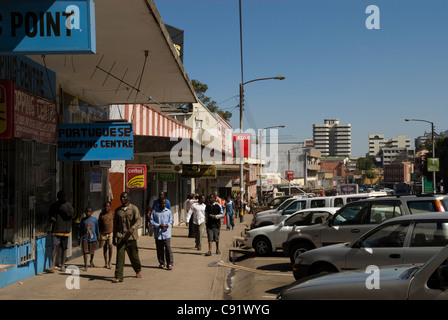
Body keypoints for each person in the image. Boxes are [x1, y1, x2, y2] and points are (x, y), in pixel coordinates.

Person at [112, 192, 143, 283]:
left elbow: (138, 220)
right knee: (119, 257)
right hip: (121, 236)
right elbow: (115, 225)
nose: (122, 199)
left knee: (134, 256)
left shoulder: (134, 208)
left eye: (124, 197)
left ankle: (138, 270)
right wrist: (114, 236)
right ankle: (118, 276)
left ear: (128, 198)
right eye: (121, 197)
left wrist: (132, 228)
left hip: (131, 237)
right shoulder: (118, 210)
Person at [48, 190, 74, 272]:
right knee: (54, 246)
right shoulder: (54, 205)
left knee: (64, 247)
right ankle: (52, 265)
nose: (61, 198)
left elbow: (71, 214)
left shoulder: (68, 205)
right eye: (60, 196)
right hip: (56, 228)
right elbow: (50, 214)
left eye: (63, 196)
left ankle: (62, 265)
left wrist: (61, 208)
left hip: (65, 230)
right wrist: (51, 218)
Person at [150, 198, 174, 270]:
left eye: (164, 203)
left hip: (166, 233)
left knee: (168, 248)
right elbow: (151, 221)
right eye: (162, 203)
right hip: (158, 233)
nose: (163, 205)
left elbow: (171, 221)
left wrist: (167, 225)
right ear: (159, 204)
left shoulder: (168, 211)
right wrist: (158, 225)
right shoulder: (154, 212)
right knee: (159, 249)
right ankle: (161, 263)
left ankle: (170, 263)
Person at [79, 207, 100, 271]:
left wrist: (98, 235)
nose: (88, 213)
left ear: (92, 212)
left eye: (89, 212)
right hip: (85, 238)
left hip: (93, 238)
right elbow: (80, 230)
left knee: (92, 252)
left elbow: (97, 228)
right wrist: (79, 238)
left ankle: (91, 261)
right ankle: (85, 265)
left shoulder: (95, 220)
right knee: (85, 252)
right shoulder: (83, 220)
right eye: (87, 212)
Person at [99, 201, 114, 269]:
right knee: (105, 247)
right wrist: (99, 233)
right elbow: (99, 224)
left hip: (110, 232)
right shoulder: (101, 215)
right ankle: (106, 262)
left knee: (110, 246)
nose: (106, 208)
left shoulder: (112, 214)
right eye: (105, 206)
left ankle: (110, 261)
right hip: (103, 233)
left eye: (108, 206)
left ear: (110, 207)